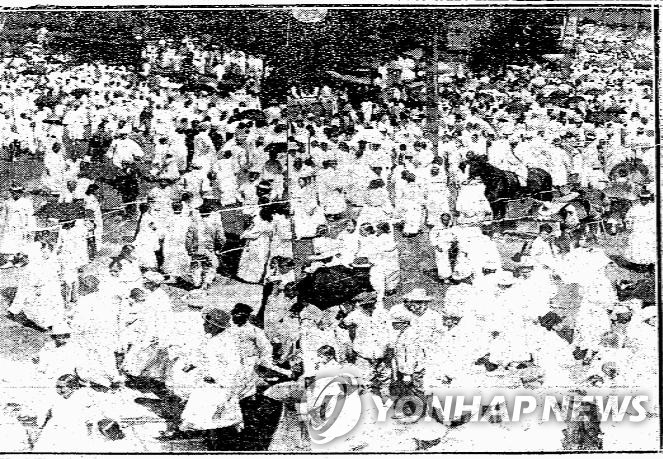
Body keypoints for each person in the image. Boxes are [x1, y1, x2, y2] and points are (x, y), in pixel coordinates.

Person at [179, 309, 247, 450]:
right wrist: (192, 365)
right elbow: (205, 357)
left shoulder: (226, 343)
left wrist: (217, 378)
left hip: (221, 386)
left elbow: (234, 366)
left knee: (218, 419)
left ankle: (220, 447)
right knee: (205, 417)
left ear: (214, 326)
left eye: (207, 323)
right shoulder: (212, 339)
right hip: (207, 384)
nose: (204, 325)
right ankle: (211, 443)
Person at [338, 291, 391, 397]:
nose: (368, 306)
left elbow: (390, 330)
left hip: (382, 353)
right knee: (365, 382)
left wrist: (389, 347)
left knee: (385, 381)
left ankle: (386, 403)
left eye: (371, 304)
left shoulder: (382, 313)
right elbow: (342, 327)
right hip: (363, 354)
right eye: (365, 305)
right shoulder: (355, 315)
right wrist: (348, 344)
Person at [237, 207, 273, 284]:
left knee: (253, 261)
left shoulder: (261, 224)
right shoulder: (270, 223)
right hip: (265, 243)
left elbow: (254, 234)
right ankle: (257, 278)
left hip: (256, 243)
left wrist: (244, 235)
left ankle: (250, 278)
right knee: (261, 261)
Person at [623, 188, 655, 267]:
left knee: (648, 245)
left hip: (649, 229)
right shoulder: (635, 207)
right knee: (636, 245)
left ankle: (649, 263)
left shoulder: (653, 207)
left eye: (646, 199)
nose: (643, 200)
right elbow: (628, 217)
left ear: (649, 199)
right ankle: (637, 264)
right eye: (642, 198)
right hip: (638, 229)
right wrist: (629, 221)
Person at [0, 184, 36, 255]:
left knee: (20, 239)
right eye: (13, 192)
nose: (14, 194)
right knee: (11, 238)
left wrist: (27, 224)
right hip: (11, 223)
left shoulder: (26, 202)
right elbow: (4, 214)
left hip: (20, 223)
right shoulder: (8, 202)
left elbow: (29, 214)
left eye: (16, 192)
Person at [429, 213, 456, 282]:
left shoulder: (450, 227)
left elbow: (453, 236)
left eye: (447, 220)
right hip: (441, 247)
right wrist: (437, 246)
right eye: (444, 220)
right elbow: (432, 237)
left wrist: (453, 243)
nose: (445, 221)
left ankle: (451, 276)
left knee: (450, 262)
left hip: (450, 247)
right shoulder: (436, 228)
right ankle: (445, 278)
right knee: (442, 262)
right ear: (441, 220)